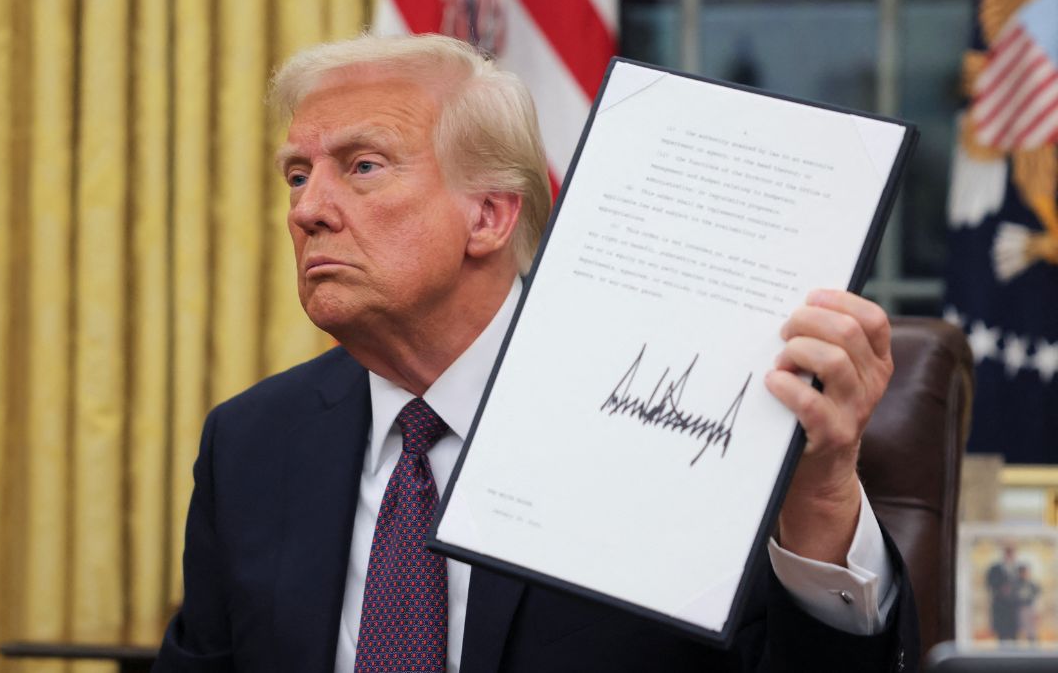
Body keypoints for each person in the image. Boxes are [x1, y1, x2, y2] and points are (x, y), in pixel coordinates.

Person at [154, 34, 918, 672]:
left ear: (487, 215)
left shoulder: (674, 405)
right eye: (297, 174)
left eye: (362, 167)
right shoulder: (251, 441)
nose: (308, 210)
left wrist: (818, 495)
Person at [986, 545, 1020, 642]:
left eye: (1012, 553)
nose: (1010, 556)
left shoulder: (1017, 568)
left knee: (1014, 633)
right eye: (1008, 553)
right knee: (1002, 633)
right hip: (1000, 604)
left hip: (1013, 606)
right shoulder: (995, 568)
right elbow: (989, 582)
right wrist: (1000, 588)